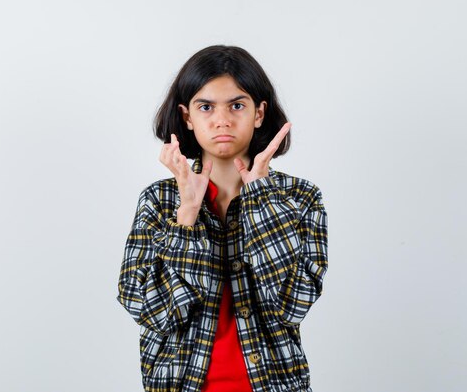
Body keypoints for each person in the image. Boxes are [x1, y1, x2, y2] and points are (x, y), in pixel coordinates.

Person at [116, 45, 328, 392]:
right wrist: (187, 213)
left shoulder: (300, 199)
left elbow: (293, 305)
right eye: (206, 106)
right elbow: (152, 311)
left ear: (259, 113)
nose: (222, 119)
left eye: (237, 105)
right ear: (187, 117)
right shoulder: (158, 200)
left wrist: (261, 201)